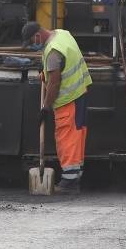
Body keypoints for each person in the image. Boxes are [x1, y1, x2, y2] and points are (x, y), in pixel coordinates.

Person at [22, 21, 92, 194]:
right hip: (79, 93)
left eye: (32, 42)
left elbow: (54, 82)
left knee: (67, 139)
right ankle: (75, 176)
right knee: (76, 137)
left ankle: (70, 182)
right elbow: (63, 65)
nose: (33, 46)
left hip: (68, 100)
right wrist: (45, 71)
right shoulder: (62, 34)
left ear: (38, 36)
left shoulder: (52, 51)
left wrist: (45, 108)